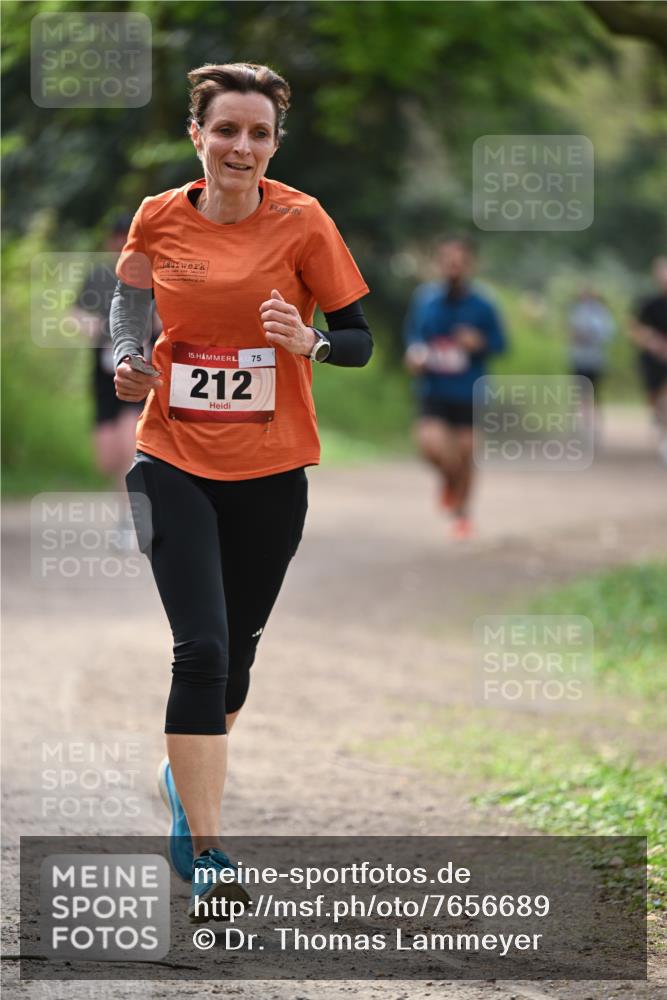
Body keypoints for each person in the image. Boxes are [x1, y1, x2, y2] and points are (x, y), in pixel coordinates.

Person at [109, 62, 372, 922]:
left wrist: (310, 342)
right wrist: (125, 356)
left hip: (271, 471)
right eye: (226, 129)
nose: (242, 147)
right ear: (198, 135)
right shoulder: (159, 215)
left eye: (258, 133)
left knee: (238, 664)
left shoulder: (303, 220)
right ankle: (210, 852)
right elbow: (128, 302)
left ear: (274, 143)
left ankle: (182, 783)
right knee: (203, 649)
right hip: (170, 456)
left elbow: (360, 337)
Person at [403, 236, 506, 539]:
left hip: (469, 391)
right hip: (433, 389)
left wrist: (479, 342)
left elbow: (501, 344)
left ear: (469, 264)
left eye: (459, 261)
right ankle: (449, 481)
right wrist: (415, 355)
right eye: (447, 260)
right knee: (431, 448)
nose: (453, 266)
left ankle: (463, 515)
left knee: (466, 454)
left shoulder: (484, 303)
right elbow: (414, 339)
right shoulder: (425, 299)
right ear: (440, 263)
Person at [68, 216, 161, 494]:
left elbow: (168, 317)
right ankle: (129, 504)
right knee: (107, 459)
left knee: (128, 446)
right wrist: (88, 324)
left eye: (127, 237)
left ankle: (131, 518)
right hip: (103, 372)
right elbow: (75, 313)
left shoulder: (153, 275)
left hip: (137, 369)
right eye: (117, 238)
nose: (122, 244)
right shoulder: (99, 277)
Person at [630, 256, 667, 463]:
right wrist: (652, 341)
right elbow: (635, 328)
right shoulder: (649, 304)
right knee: (655, 399)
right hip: (653, 359)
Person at [568, 286, 615, 397]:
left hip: (595, 358)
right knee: (579, 390)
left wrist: (590, 336)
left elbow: (607, 333)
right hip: (579, 357)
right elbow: (571, 331)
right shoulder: (577, 311)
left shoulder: (601, 313)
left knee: (594, 391)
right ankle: (582, 413)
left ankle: (593, 413)